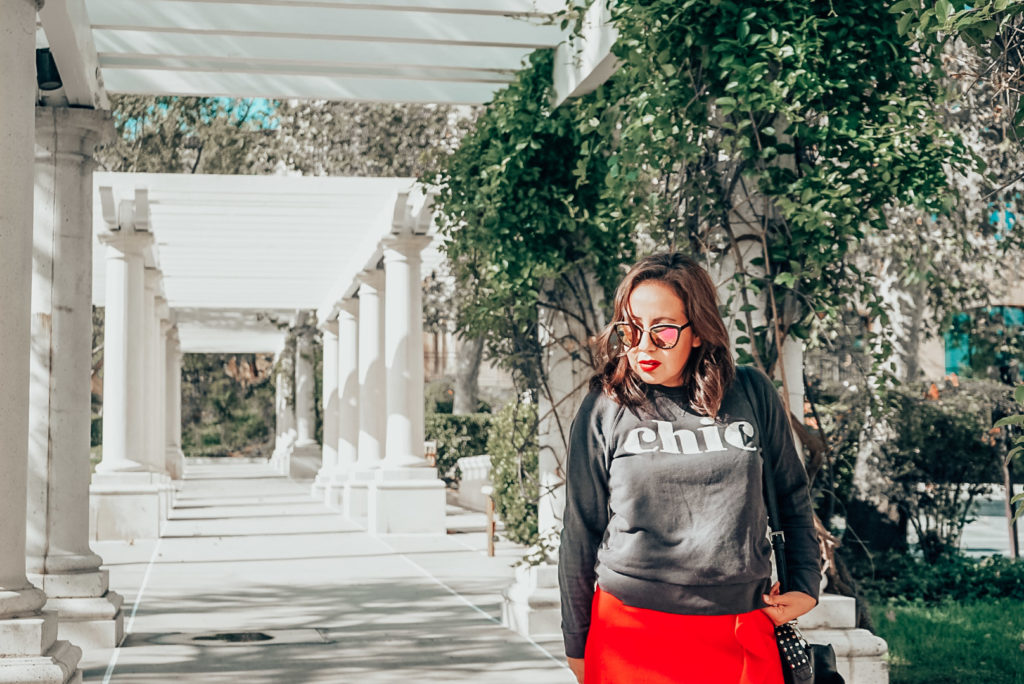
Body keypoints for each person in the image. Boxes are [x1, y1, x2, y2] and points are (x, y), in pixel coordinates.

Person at [558, 252, 821, 684]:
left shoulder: (751, 393)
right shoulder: (605, 407)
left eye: (662, 330)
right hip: (630, 633)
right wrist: (576, 640)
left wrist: (806, 585)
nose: (643, 346)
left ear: (697, 331)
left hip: (741, 628)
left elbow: (792, 495)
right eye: (631, 329)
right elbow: (581, 530)